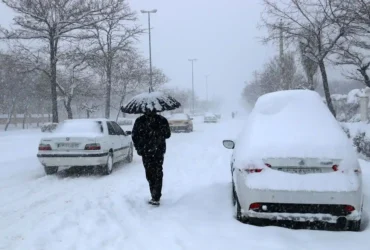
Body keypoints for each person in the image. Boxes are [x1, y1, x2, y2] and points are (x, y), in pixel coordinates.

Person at [131, 110, 171, 206]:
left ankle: (154, 194)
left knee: (150, 172)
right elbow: (167, 135)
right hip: (158, 151)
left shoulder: (140, 120)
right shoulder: (162, 120)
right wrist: (158, 133)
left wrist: (139, 148)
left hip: (147, 152)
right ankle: (156, 195)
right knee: (158, 171)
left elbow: (134, 136)